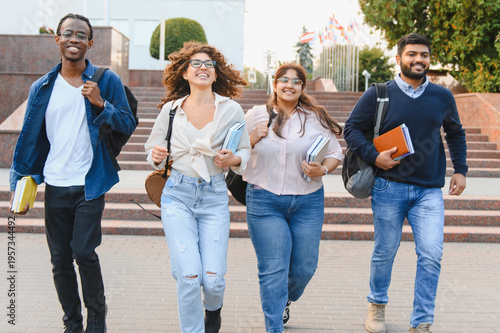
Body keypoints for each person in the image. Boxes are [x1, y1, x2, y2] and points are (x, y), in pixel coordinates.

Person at [8, 13, 136, 333]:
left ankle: (96, 319)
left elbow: (126, 123)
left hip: (90, 181)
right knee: (60, 259)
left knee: (83, 251)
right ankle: (72, 322)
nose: (74, 39)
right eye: (68, 33)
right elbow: (29, 136)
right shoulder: (42, 87)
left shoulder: (106, 81)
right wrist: (19, 183)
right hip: (56, 182)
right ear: (58, 39)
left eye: (81, 35)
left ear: (90, 43)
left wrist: (100, 103)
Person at [344, 33, 467, 333]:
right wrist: (375, 156)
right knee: (385, 251)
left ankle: (422, 321)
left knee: (431, 253)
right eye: (412, 54)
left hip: (428, 191)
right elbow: (352, 129)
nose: (419, 60)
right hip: (388, 186)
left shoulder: (442, 96)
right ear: (398, 59)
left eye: (424, 55)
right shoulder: (378, 93)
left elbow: (455, 133)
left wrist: (460, 169)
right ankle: (376, 307)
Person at [145, 41, 250, 333]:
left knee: (213, 280)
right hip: (176, 194)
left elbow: (245, 151)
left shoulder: (231, 110)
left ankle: (213, 311)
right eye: (196, 64)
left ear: (216, 75)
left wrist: (234, 158)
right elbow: (153, 148)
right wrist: (155, 155)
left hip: (214, 196)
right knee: (190, 276)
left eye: (209, 65)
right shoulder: (170, 110)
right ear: (185, 73)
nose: (203, 68)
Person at [243, 63, 343, 333]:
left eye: (296, 81)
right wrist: (252, 138)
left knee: (305, 267)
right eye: (283, 80)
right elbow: (233, 153)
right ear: (274, 84)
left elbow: (336, 153)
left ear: (302, 87)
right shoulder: (255, 115)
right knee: (273, 268)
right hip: (265, 200)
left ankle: (286, 298)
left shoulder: (315, 117)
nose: (289, 85)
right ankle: (274, 326)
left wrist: (322, 169)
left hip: (308, 202)